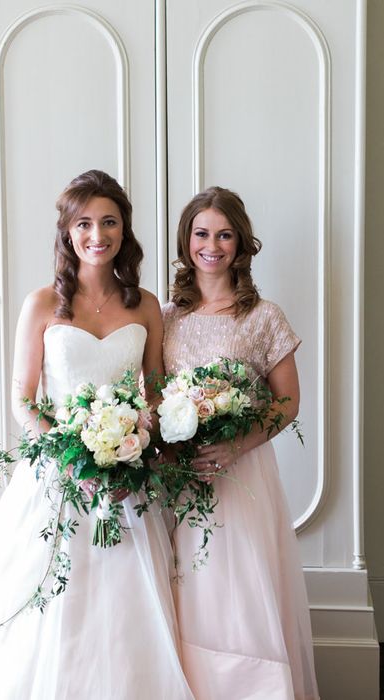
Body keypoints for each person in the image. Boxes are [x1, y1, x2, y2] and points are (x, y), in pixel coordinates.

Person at [0, 170, 193, 699]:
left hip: (127, 477)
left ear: (124, 231)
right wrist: (71, 453)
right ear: (67, 231)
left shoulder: (146, 305)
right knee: (46, 595)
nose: (97, 235)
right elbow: (23, 399)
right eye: (84, 223)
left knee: (122, 604)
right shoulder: (42, 304)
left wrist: (136, 447)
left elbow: (154, 393)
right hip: (57, 475)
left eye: (109, 222)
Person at [162, 187, 320, 700]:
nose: (213, 245)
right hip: (183, 478)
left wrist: (236, 445)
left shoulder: (263, 316)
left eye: (225, 234)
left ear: (241, 244)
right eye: (202, 233)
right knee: (190, 589)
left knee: (241, 594)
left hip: (242, 473)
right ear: (187, 241)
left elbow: (287, 402)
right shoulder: (167, 318)